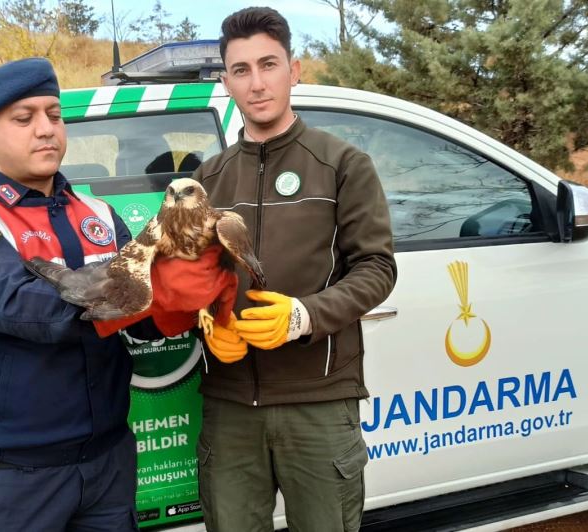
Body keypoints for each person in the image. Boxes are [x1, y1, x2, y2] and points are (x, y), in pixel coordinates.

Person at [0, 58, 155, 531]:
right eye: (24, 119)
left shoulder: (101, 214)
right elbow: (26, 311)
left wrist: (186, 291)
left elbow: (145, 321)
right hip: (22, 476)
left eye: (54, 115)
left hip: (109, 460)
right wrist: (137, 292)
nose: (45, 130)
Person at [194, 7, 398, 532]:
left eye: (269, 64)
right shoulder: (207, 180)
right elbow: (186, 277)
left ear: (295, 69)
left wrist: (304, 317)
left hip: (319, 402)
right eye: (241, 70)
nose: (257, 83)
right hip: (230, 403)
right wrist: (206, 320)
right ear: (226, 82)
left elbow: (376, 268)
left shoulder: (341, 164)